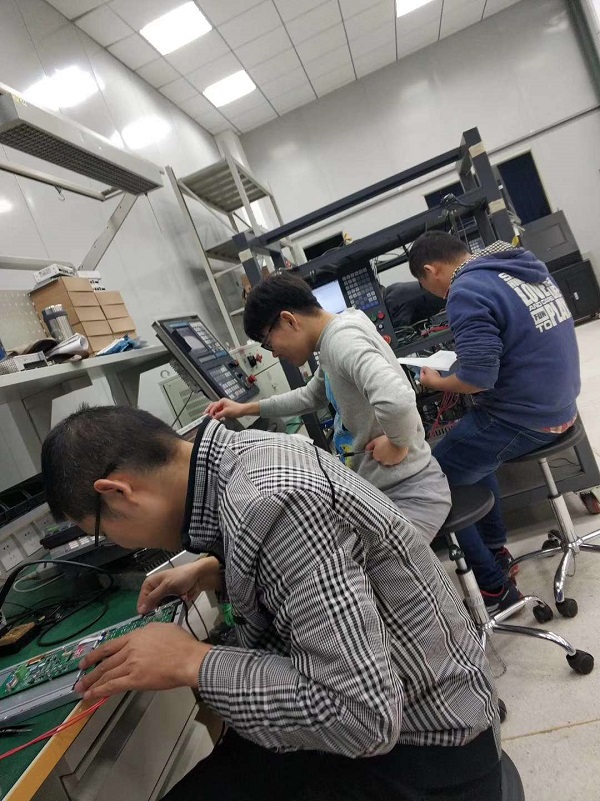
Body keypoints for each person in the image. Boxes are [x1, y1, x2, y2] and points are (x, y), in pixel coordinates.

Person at [41, 406, 501, 801]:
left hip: (429, 759)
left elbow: (361, 717)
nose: (116, 544)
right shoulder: (246, 454)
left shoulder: (272, 502)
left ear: (117, 492)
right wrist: (218, 568)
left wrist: (192, 662)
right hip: (406, 724)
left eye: (100, 533)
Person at [206, 271, 451, 545]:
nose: (274, 353)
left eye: (268, 343)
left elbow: (396, 400)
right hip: (386, 491)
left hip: (410, 493)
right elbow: (311, 396)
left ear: (288, 320)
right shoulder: (334, 338)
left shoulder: (341, 342)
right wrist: (244, 409)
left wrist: (398, 443)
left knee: (359, 569)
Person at [408, 231, 581, 611]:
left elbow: (477, 379)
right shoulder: (516, 268)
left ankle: (493, 587)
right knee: (470, 457)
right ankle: (495, 550)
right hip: (563, 405)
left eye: (424, 284)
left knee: (429, 480)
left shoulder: (465, 290)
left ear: (430, 271)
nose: (432, 293)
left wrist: (436, 381)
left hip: (525, 418)